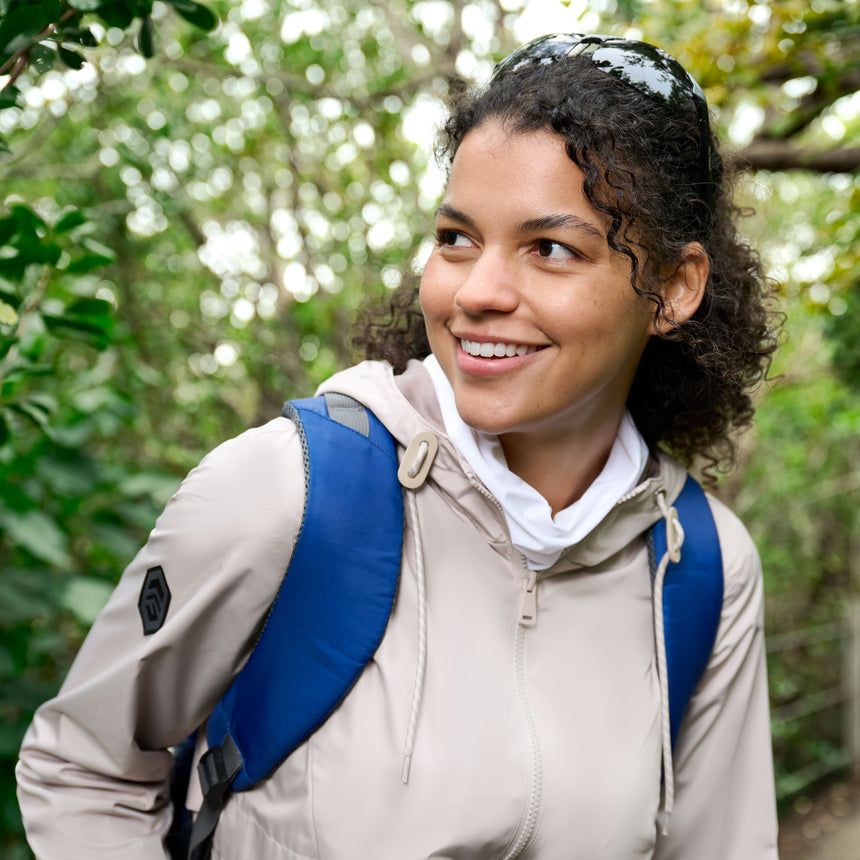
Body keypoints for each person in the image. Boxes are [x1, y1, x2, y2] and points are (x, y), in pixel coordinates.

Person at [17, 32, 780, 860]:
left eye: (550, 249)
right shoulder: (289, 490)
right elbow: (83, 769)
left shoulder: (700, 566)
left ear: (674, 288)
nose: (476, 291)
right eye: (457, 238)